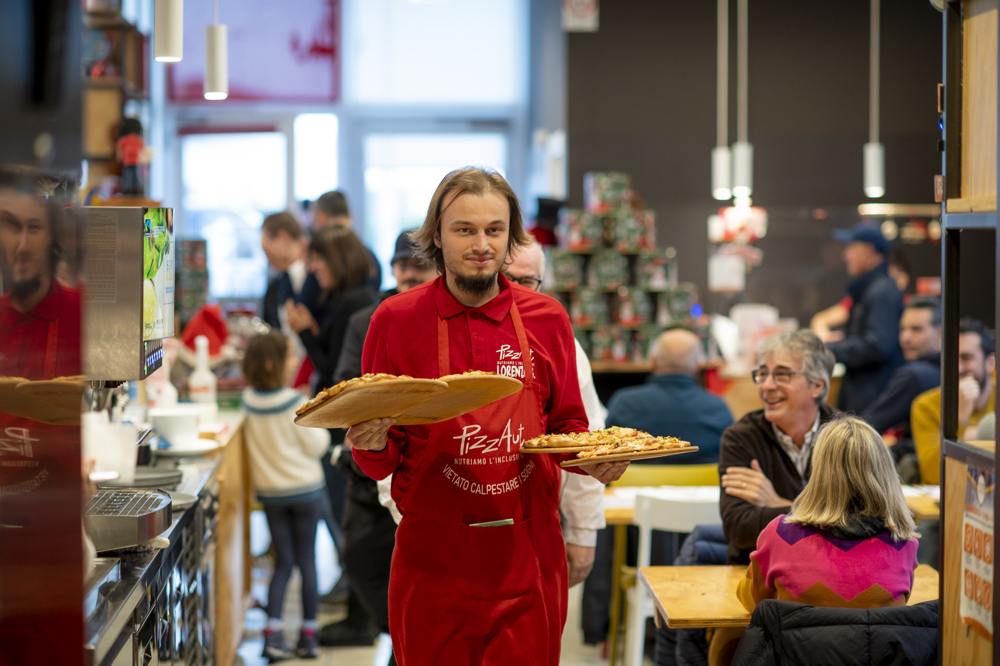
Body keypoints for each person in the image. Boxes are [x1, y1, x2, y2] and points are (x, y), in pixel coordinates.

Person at [346, 167, 628, 665]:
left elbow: (568, 428)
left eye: (494, 230)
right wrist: (369, 445)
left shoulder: (548, 319)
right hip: (431, 563)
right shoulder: (393, 321)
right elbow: (380, 461)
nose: (482, 244)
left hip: (529, 557)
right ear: (437, 235)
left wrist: (595, 463)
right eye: (465, 229)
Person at [319, 231, 438, 651]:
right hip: (371, 465)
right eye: (402, 264)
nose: (410, 272)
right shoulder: (368, 319)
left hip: (428, 468)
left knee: (421, 571)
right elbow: (346, 384)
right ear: (392, 268)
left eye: (419, 265)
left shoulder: (447, 321)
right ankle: (401, 635)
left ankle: (410, 645)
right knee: (359, 560)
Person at [502, 239, 607, 587]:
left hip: (538, 520)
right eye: (507, 278)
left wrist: (583, 532)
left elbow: (585, 439)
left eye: (526, 281)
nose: (515, 290)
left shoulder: (561, 343)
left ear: (541, 283)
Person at [736, 416, 919, 613]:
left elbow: (752, 602)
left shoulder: (780, 535)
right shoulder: (903, 543)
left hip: (799, 635)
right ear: (886, 473)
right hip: (876, 636)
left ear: (818, 472)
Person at [241, 333, 331, 661]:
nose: (295, 362)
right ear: (272, 364)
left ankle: (273, 634)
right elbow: (318, 445)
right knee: (307, 561)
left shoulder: (248, 401)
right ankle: (308, 635)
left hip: (272, 496)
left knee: (283, 563)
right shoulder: (294, 402)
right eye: (290, 357)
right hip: (306, 492)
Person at [719, 330, 839, 566]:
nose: (767, 386)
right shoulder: (741, 437)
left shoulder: (848, 437)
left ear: (816, 386)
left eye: (782, 375)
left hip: (833, 569)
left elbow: (863, 521)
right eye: (762, 374)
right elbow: (739, 527)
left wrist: (777, 504)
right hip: (760, 572)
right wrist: (818, 515)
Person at [605, 329, 733, 465]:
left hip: (633, 479)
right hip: (702, 479)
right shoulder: (717, 408)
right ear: (698, 366)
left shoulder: (624, 403)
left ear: (653, 361)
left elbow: (605, 453)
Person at [824, 223, 904, 413]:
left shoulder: (881, 292)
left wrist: (829, 349)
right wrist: (844, 340)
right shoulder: (871, 288)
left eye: (851, 248)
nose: (846, 256)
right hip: (864, 392)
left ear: (869, 250)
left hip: (871, 397)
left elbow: (878, 346)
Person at [860, 297, 942, 472]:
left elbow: (864, 428)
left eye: (916, 329)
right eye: (902, 329)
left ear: (940, 333)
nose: (906, 337)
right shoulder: (951, 372)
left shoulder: (912, 375)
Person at [911, 317, 996, 485]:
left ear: (990, 363)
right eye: (951, 359)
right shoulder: (925, 405)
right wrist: (958, 420)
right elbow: (934, 476)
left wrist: (972, 435)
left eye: (966, 358)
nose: (957, 368)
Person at [260, 212, 320, 333]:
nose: (268, 260)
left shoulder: (318, 275)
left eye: (267, 251)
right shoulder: (276, 285)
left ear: (283, 238)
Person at [312, 190, 382, 291]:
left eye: (314, 221)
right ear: (351, 215)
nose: (313, 268)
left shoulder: (327, 259)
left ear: (321, 218)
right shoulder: (370, 258)